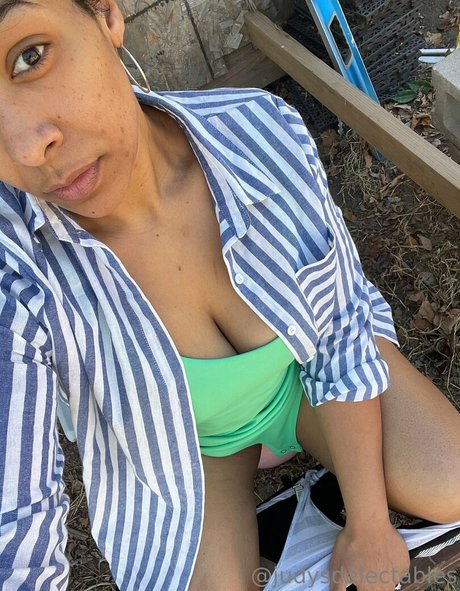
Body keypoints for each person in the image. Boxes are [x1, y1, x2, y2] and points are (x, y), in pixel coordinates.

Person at [0, 1, 459, 590]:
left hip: (303, 384)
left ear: (106, 14)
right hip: (192, 453)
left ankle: (321, 473)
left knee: (449, 481)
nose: (24, 148)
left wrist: (368, 520)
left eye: (30, 56)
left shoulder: (258, 130)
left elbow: (339, 324)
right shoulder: (17, 270)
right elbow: (14, 530)